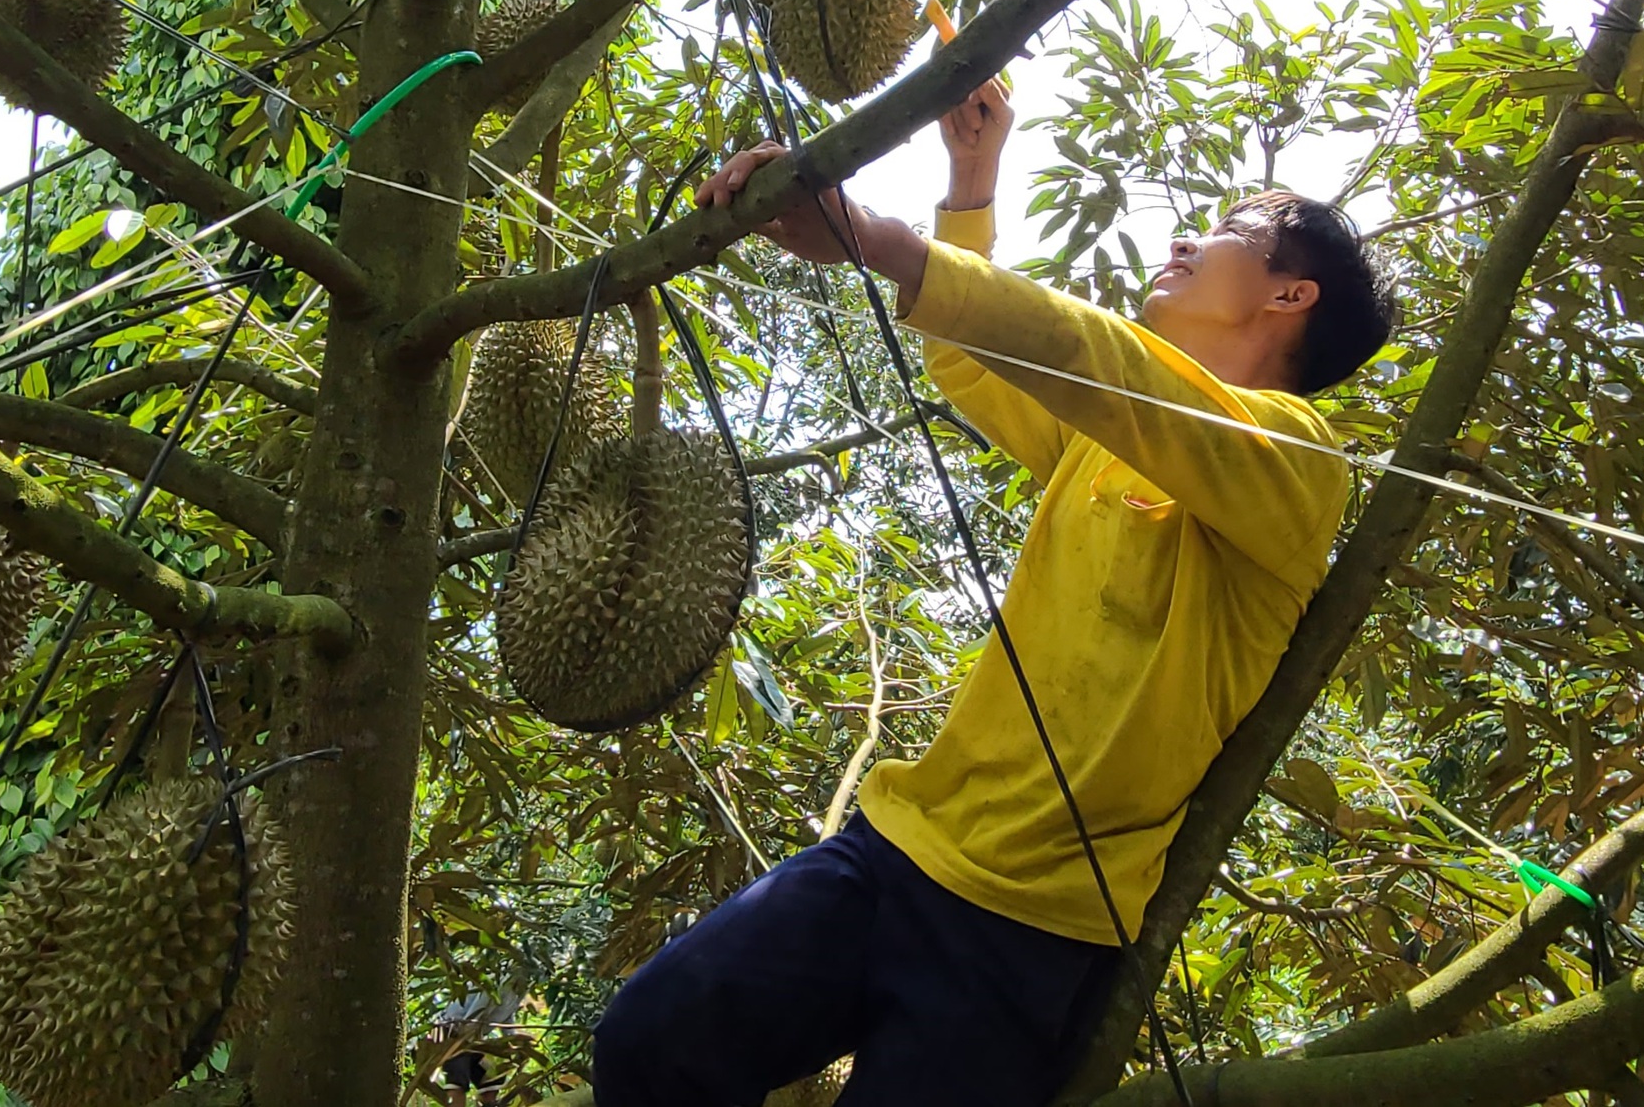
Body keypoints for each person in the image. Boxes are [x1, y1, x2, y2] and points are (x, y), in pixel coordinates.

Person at [590, 77, 1398, 1107]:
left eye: (1228, 230)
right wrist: (970, 176)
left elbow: (1089, 351)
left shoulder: (1294, 458)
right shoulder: (1102, 436)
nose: (1186, 243)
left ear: (1291, 294)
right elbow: (975, 359)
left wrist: (877, 238)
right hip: (895, 848)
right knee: (649, 1041)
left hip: (1032, 930)